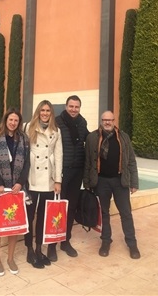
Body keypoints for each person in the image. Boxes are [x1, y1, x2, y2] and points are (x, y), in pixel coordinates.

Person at [83, 110, 141, 259]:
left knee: (126, 213)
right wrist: (87, 182)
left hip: (120, 181)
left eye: (110, 119)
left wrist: (134, 182)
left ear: (114, 121)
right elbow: (88, 162)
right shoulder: (92, 137)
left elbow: (131, 161)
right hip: (101, 181)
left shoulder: (123, 137)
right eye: (104, 119)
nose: (107, 122)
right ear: (101, 121)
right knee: (104, 214)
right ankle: (106, 241)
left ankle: (132, 243)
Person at [0, 108, 30, 276]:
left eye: (16, 120)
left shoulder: (24, 139)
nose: (13, 123)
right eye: (10, 120)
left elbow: (26, 163)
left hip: (15, 188)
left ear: (19, 123)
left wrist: (20, 183)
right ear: (6, 120)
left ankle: (10, 258)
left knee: (14, 224)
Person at [47, 95, 89, 261]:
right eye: (71, 106)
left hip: (76, 171)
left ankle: (65, 241)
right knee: (57, 208)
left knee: (70, 208)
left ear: (79, 108)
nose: (73, 109)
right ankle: (52, 245)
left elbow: (89, 138)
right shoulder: (56, 122)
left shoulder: (82, 122)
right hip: (61, 172)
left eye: (76, 107)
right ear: (66, 106)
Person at [23, 100, 63, 269]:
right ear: (38, 112)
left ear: (51, 113)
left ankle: (39, 248)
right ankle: (29, 250)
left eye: (48, 110)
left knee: (42, 217)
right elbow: (10, 131)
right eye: (42, 110)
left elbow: (59, 154)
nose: (45, 113)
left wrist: (58, 180)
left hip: (47, 180)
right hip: (32, 179)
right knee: (29, 216)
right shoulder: (27, 127)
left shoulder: (56, 131)